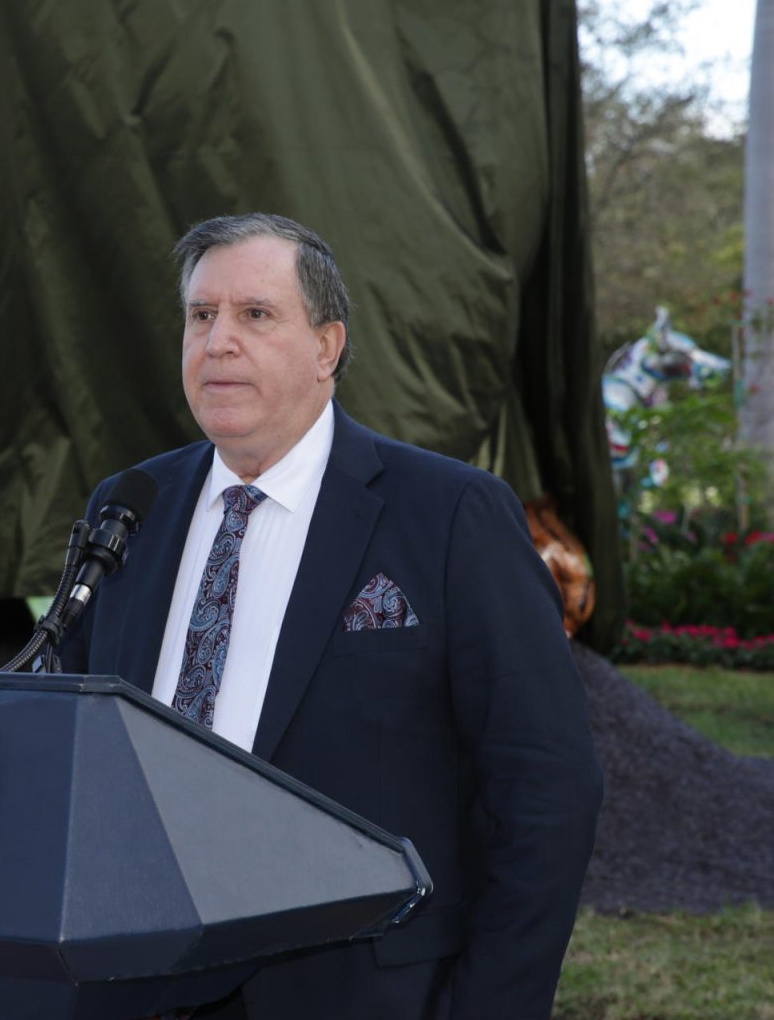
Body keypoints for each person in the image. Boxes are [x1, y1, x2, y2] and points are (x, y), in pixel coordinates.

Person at [57, 213, 603, 1019]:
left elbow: (547, 788)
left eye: (256, 314)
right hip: (135, 984)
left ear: (327, 347)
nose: (218, 343)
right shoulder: (128, 507)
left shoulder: (449, 515)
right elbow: (76, 748)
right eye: (200, 316)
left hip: (360, 992)